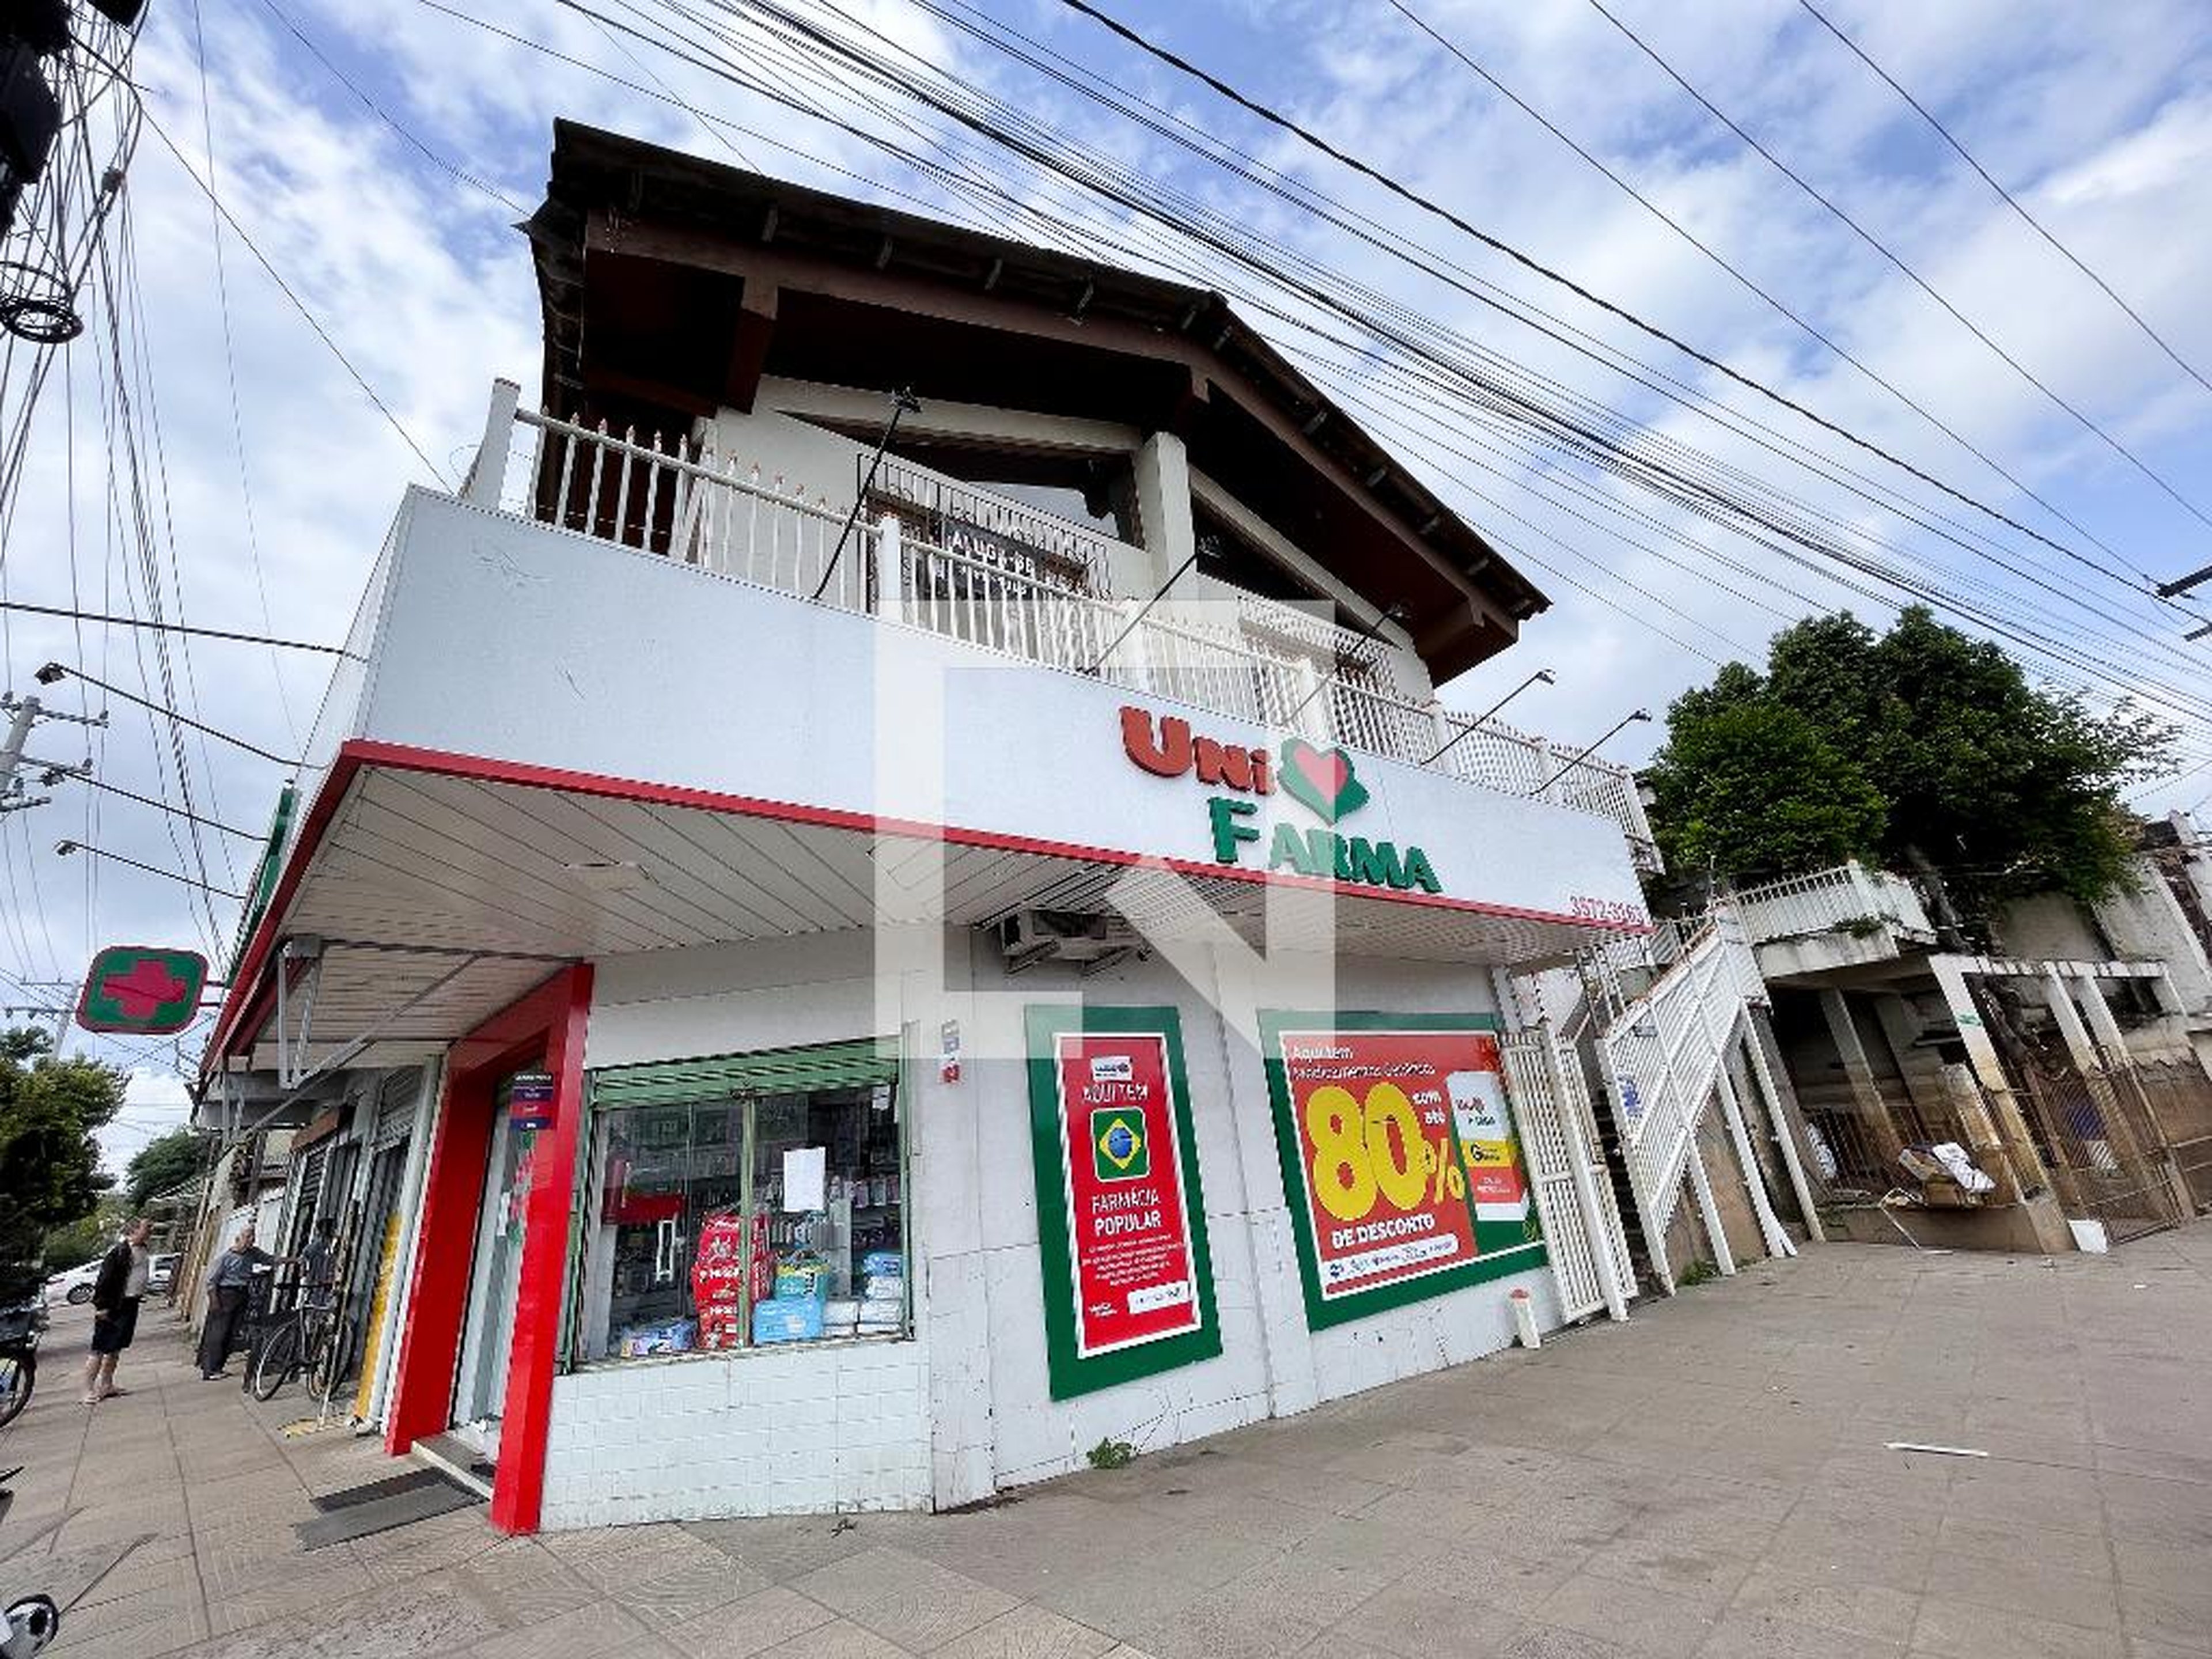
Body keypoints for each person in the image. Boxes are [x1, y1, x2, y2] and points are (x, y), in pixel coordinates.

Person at [82, 1217, 152, 1404]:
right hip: (113, 1307)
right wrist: (101, 1307)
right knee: (99, 1348)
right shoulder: (119, 1252)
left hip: (131, 1304)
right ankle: (88, 1390)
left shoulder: (143, 1249)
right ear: (133, 1231)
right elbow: (104, 1281)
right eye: (147, 1228)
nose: (150, 1231)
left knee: (116, 1348)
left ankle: (107, 1385)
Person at [197, 1223, 279, 1381]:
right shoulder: (225, 1258)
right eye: (247, 1237)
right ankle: (210, 1369)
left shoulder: (252, 1253)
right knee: (219, 1333)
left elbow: (270, 1260)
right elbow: (211, 1282)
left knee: (232, 1333)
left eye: (252, 1237)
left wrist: (294, 1260)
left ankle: (218, 1366)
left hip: (241, 1294)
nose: (251, 1240)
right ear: (238, 1238)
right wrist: (215, 1301)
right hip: (225, 1295)